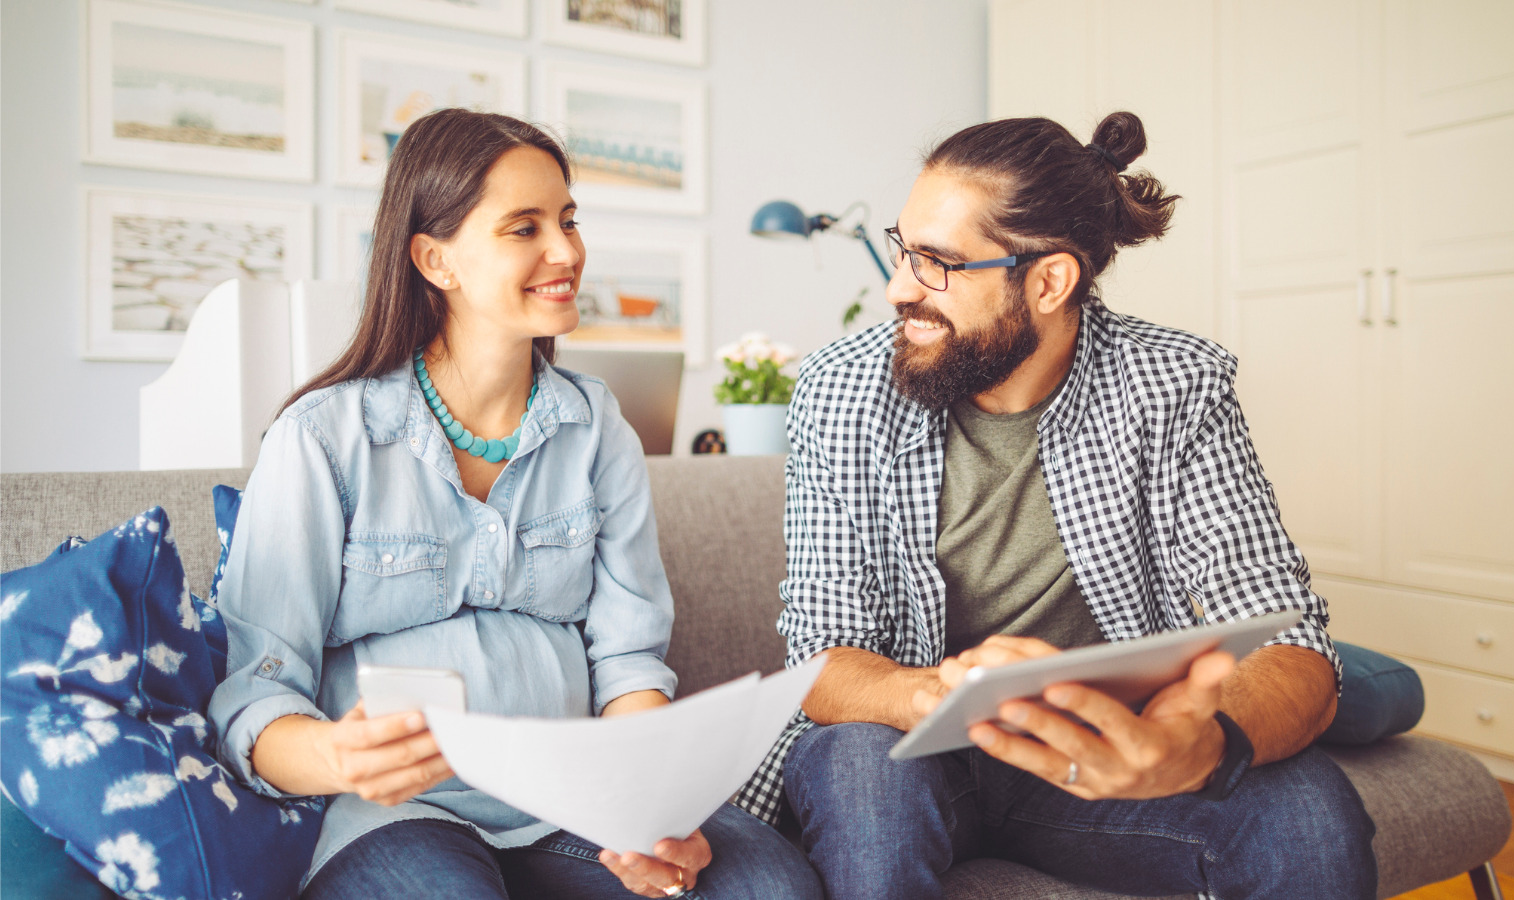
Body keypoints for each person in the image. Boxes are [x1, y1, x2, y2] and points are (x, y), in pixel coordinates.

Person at [733, 113, 1379, 899]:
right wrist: (947, 693)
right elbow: (823, 655)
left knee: (1311, 813)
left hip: (1090, 759)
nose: (899, 288)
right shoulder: (844, 387)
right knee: (862, 774)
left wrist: (1198, 742)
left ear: (1047, 281)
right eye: (906, 249)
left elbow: (1287, 635)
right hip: (914, 748)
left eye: (938, 264)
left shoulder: (1172, 386)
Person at [206, 108, 822, 900]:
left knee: (771, 884)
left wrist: (646, 810)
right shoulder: (324, 438)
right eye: (523, 228)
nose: (566, 252)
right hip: (394, 813)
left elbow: (628, 661)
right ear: (436, 260)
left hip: (574, 805)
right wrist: (335, 756)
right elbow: (254, 689)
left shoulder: (597, 427)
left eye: (568, 221)